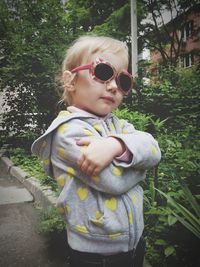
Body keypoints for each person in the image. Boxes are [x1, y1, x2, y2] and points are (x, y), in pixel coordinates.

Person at [31, 35, 161, 267]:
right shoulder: (67, 133)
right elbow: (114, 181)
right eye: (102, 72)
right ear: (70, 80)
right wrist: (140, 167)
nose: (113, 86)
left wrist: (116, 145)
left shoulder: (117, 125)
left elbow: (153, 147)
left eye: (123, 80)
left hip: (134, 242)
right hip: (96, 255)